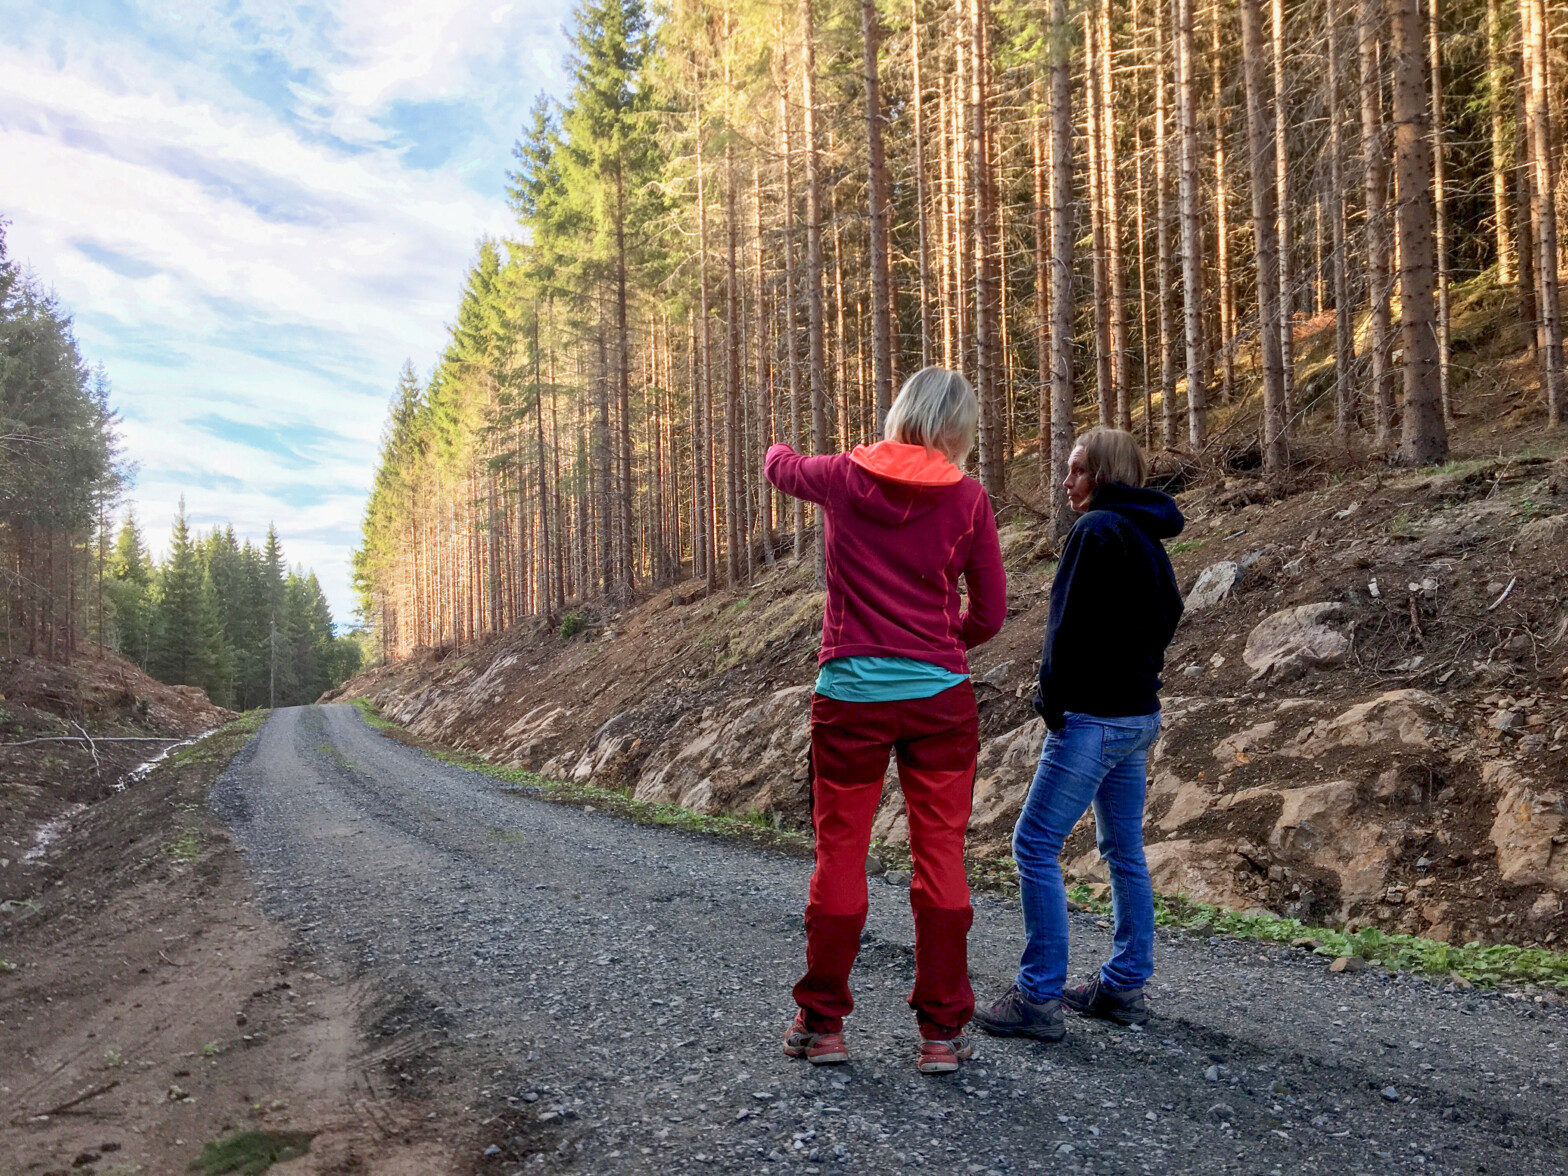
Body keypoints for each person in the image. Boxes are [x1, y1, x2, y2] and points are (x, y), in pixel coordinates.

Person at [764, 367, 1006, 1075]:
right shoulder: (969, 498)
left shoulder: (844, 476)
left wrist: (777, 445)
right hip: (940, 702)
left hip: (851, 696)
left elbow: (782, 469)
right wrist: (944, 640)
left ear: (901, 411)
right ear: (959, 430)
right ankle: (940, 1034)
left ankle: (822, 1024)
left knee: (840, 854)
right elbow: (991, 613)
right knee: (941, 857)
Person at [972, 427, 1184, 1042]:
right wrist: (1137, 671)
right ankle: (1124, 987)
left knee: (1034, 844)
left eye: (1077, 470)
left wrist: (1053, 701)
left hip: (1092, 718)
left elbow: (1063, 629)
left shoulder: (1094, 530)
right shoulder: (1146, 533)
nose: (1067, 483)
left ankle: (1037, 997)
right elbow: (1171, 612)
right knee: (1124, 850)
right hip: (1138, 715)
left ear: (1105, 474)